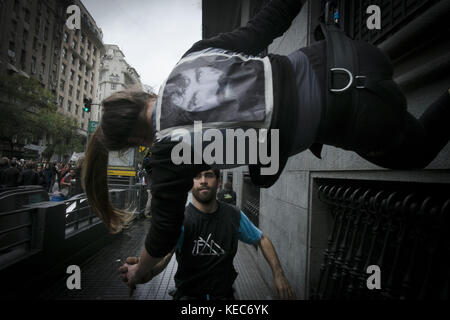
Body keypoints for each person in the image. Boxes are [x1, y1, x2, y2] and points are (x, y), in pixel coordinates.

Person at [83, 0, 450, 291]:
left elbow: (163, 231)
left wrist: (142, 272)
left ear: (133, 140)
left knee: (416, 151)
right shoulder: (191, 58)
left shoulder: (165, 152)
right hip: (349, 54)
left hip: (353, 111)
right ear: (137, 97)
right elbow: (270, 19)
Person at [119, 169, 295, 300]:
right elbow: (166, 255)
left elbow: (261, 238)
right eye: (197, 176)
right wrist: (146, 271)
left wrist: (278, 274)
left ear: (218, 182)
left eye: (209, 175)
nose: (203, 180)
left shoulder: (233, 215)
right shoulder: (180, 219)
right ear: (191, 183)